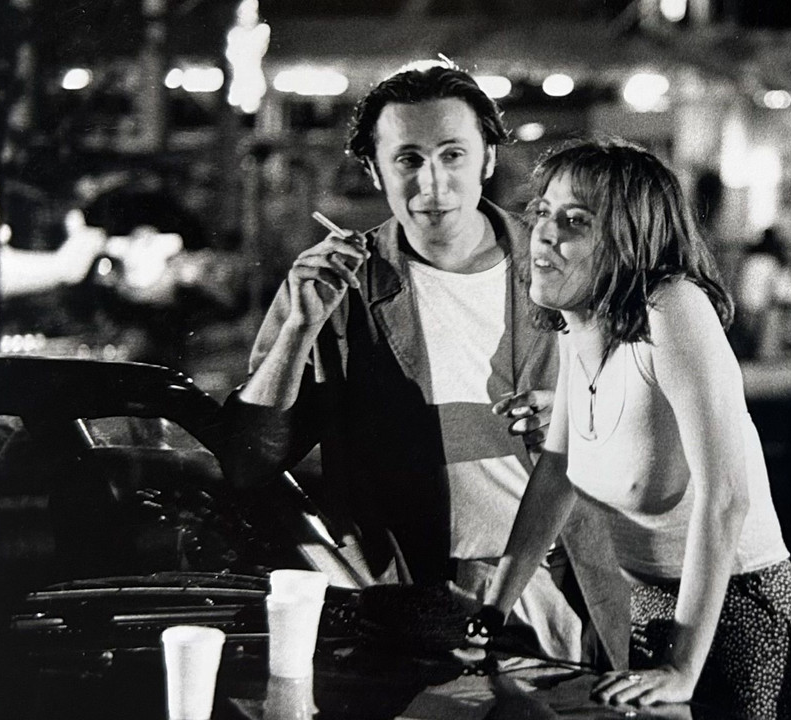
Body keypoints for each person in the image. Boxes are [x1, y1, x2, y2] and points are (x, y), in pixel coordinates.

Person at [220, 61, 625, 666]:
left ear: (487, 159)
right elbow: (248, 462)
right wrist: (299, 330)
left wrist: (580, 422)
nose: (433, 184)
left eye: (452, 155)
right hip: (408, 605)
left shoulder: (565, 263)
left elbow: (648, 425)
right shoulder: (338, 284)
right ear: (374, 170)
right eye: (408, 159)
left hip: (560, 587)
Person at [473, 139, 791, 719]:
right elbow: (556, 472)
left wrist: (683, 668)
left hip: (741, 622)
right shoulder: (578, 325)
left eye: (576, 221)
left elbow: (726, 498)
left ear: (630, 240)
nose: (545, 234)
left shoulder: (673, 307)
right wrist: (493, 610)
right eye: (544, 212)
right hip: (653, 621)